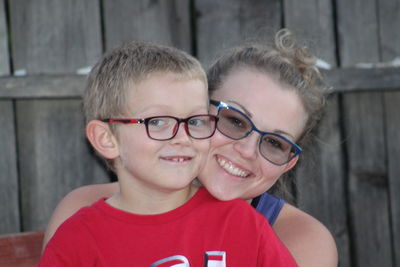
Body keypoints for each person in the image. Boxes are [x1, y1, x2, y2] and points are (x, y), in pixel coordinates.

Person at [42, 29, 338, 266]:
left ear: (288, 163)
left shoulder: (294, 239)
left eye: (275, 143)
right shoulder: (83, 217)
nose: (247, 151)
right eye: (234, 121)